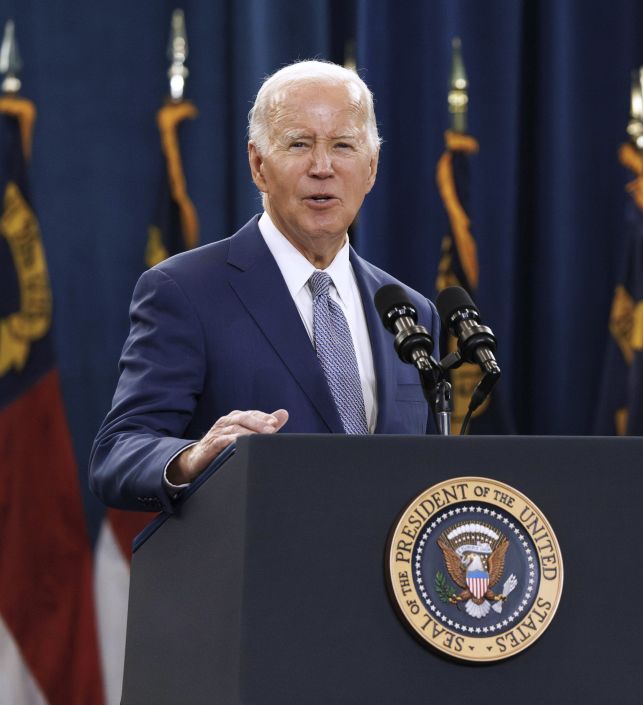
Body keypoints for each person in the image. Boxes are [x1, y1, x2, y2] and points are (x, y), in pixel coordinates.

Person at [90, 60, 438, 512]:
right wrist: (194, 456)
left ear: (371, 169)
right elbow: (118, 453)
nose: (322, 166)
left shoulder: (409, 312)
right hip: (256, 574)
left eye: (343, 145)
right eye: (299, 144)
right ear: (258, 165)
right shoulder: (185, 290)